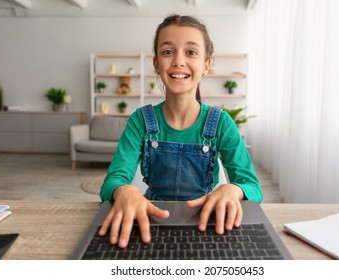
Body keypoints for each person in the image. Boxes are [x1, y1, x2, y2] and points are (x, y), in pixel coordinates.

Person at [99, 14, 263, 248]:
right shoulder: (140, 121)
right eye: (167, 52)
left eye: (191, 52)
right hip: (151, 224)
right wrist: (123, 190)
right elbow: (111, 182)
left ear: (206, 65)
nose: (178, 61)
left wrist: (233, 189)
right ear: (156, 63)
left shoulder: (221, 123)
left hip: (207, 227)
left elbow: (253, 188)